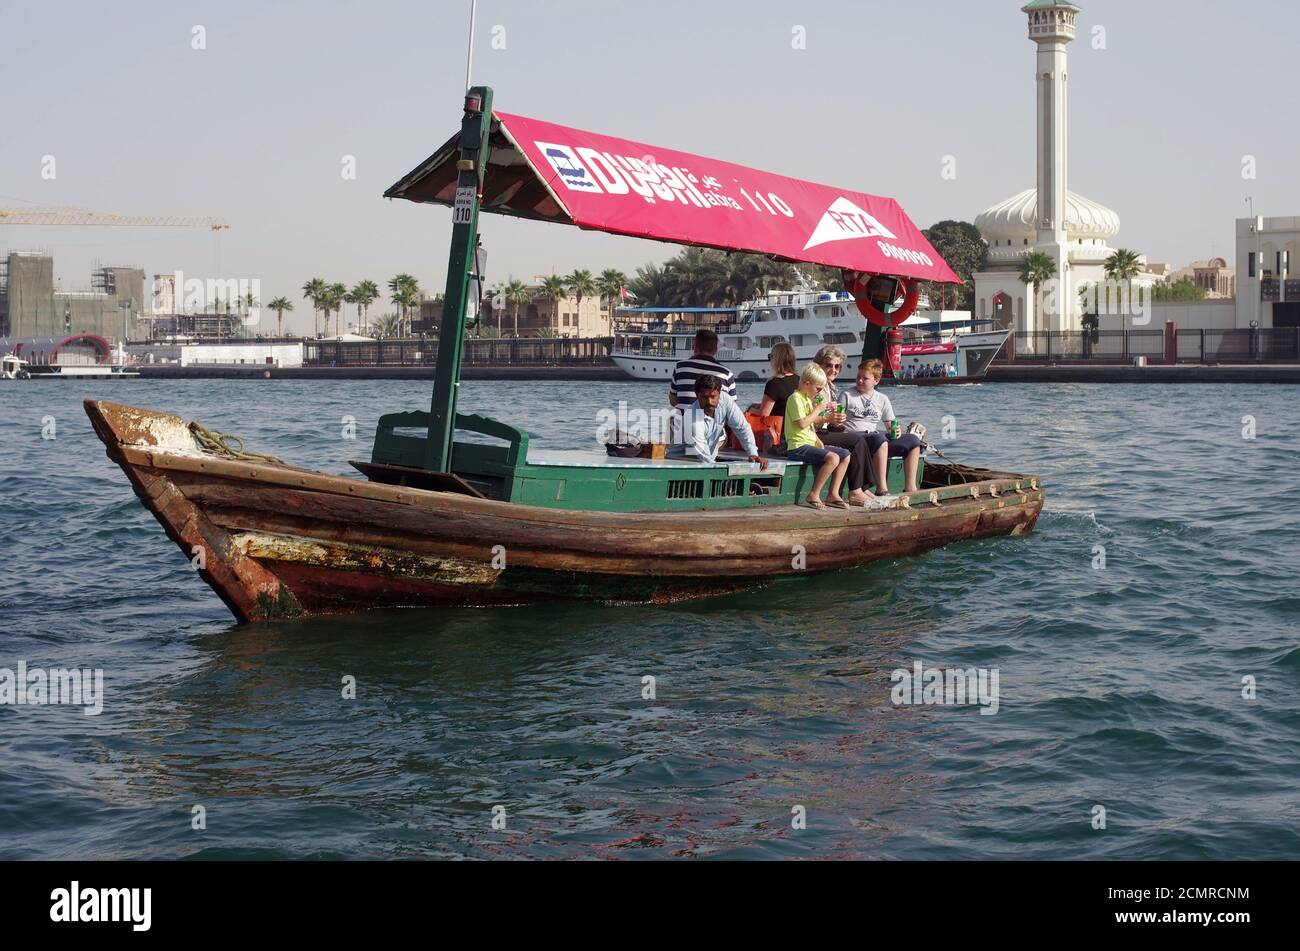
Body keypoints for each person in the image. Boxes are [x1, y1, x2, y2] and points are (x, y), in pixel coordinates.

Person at [842, 359, 924, 496]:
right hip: (855, 439)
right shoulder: (847, 395)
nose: (860, 381)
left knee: (913, 440)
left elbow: (890, 425)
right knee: (880, 439)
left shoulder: (882, 399)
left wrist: (895, 430)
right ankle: (882, 489)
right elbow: (837, 422)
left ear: (876, 380)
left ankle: (910, 488)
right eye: (858, 377)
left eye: (865, 378)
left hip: (875, 438)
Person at [809, 345, 872, 507]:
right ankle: (855, 491)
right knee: (857, 441)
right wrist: (829, 418)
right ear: (819, 365)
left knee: (860, 439)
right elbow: (810, 420)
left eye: (837, 366)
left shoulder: (829, 387)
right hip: (813, 434)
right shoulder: (816, 387)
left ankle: (862, 488)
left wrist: (836, 420)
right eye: (828, 365)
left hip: (822, 430)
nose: (833, 370)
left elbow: (826, 419)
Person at [784, 363, 851, 509]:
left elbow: (811, 424)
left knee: (845, 455)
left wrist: (826, 422)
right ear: (807, 383)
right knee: (833, 458)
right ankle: (814, 494)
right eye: (818, 389)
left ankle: (833, 494)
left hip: (809, 442)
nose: (819, 393)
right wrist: (818, 409)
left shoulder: (807, 398)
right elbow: (802, 423)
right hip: (797, 446)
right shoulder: (795, 398)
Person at [675, 375, 768, 470]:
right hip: (680, 463)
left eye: (713, 396)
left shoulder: (726, 400)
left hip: (705, 460)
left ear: (719, 393)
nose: (709, 402)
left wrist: (753, 454)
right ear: (697, 395)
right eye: (704, 397)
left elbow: (742, 427)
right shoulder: (692, 419)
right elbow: (704, 456)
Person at [669, 329, 737, 407]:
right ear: (715, 350)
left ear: (695, 348)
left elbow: (673, 400)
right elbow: (732, 407)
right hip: (714, 418)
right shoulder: (726, 374)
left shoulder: (680, 367)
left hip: (685, 418)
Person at [756, 342, 799, 418]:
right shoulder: (800, 380)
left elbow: (763, 414)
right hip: (795, 428)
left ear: (776, 359)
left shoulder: (774, 383)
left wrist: (750, 409)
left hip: (778, 428)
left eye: (770, 356)